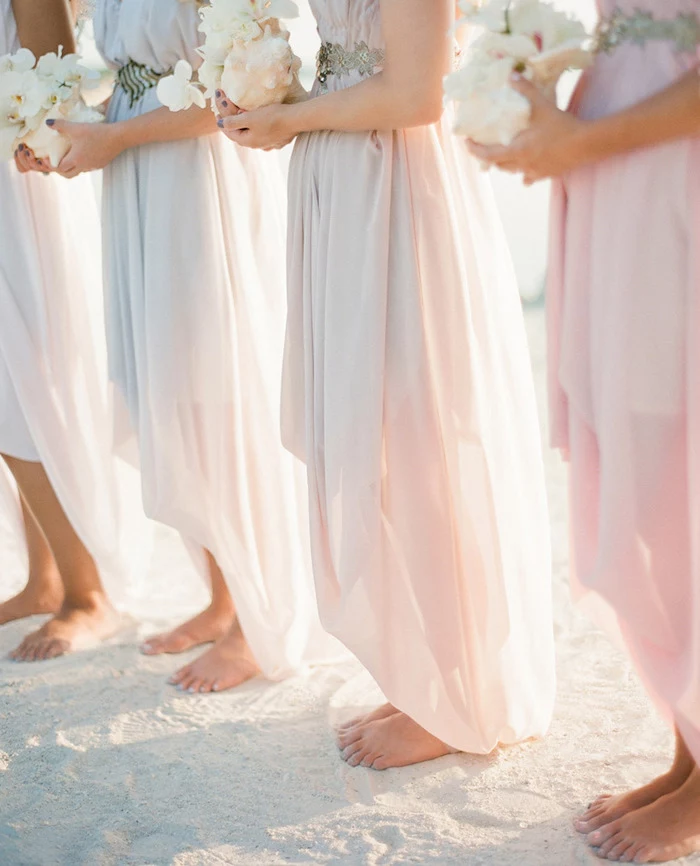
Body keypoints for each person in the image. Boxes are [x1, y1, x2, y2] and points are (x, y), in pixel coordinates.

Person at [217, 0, 556, 768]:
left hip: (393, 176)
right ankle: (425, 675)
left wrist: (292, 119)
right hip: (342, 174)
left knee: (417, 433)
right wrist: (266, 97)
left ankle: (457, 688)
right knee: (372, 436)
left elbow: (417, 93)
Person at [25, 0, 342, 692]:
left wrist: (118, 138)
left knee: (216, 390)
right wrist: (71, 135)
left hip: (202, 181)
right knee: (168, 390)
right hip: (138, 178)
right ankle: (223, 598)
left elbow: (244, 94)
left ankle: (256, 620)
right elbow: (132, 76)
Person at [471, 2, 700, 861]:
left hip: (670, 162)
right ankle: (689, 749)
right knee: (646, 462)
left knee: (686, 464)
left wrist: (581, 141)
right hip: (611, 159)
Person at [1, 0, 138, 660]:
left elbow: (54, 84)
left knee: (26, 387)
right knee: (9, 393)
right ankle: (44, 578)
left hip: (18, 185)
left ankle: (88, 595)